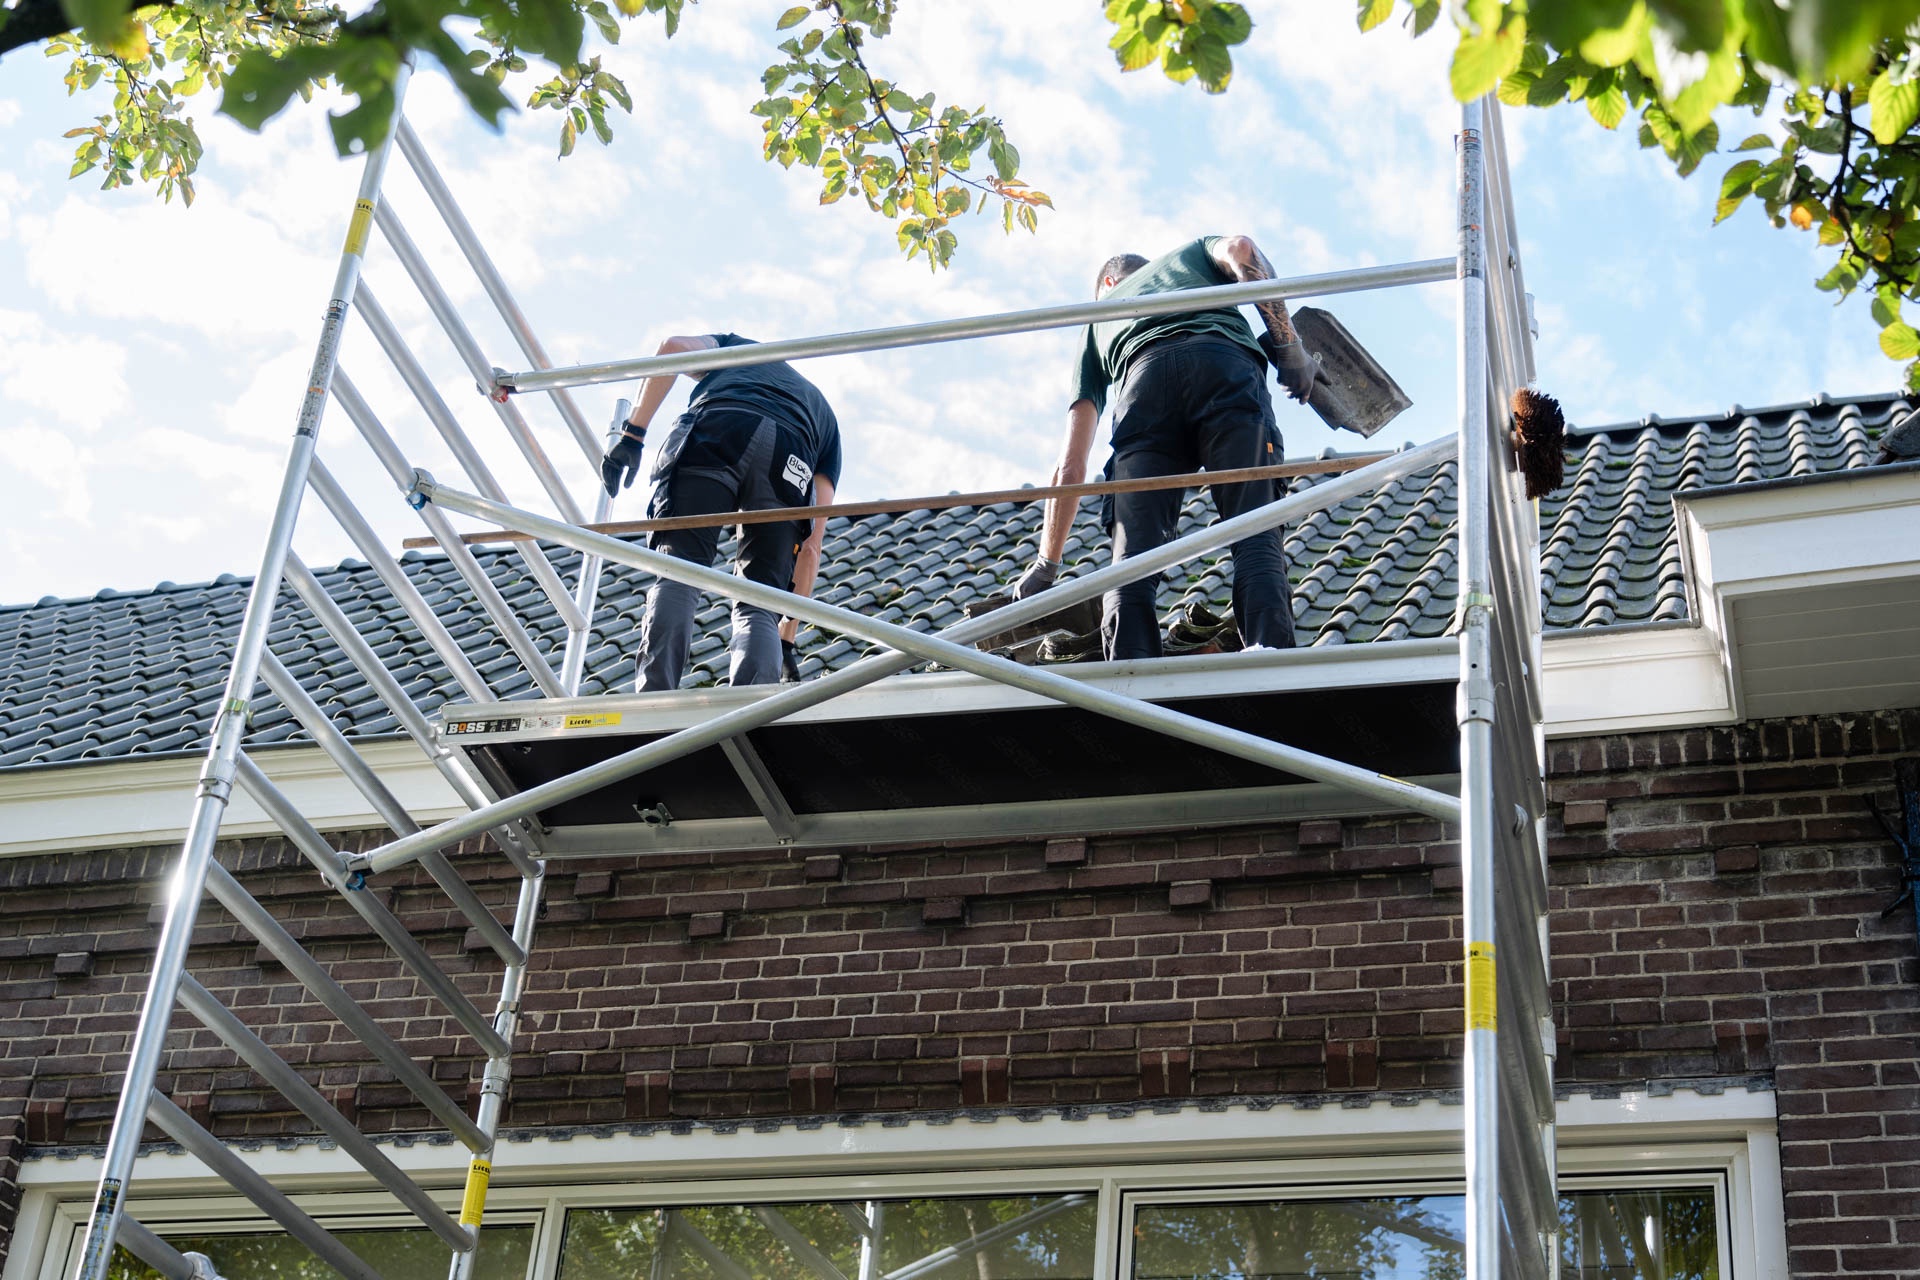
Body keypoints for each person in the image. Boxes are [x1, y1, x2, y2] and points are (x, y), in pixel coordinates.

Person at [1014, 236, 1318, 660]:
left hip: (1143, 392)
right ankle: (1270, 659)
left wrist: (1046, 565)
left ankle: (1129, 675)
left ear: (1108, 283)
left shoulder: (1096, 319)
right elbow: (1242, 249)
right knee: (1254, 529)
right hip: (1222, 366)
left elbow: (1070, 466)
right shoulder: (1191, 255)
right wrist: (1290, 348)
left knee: (1132, 561)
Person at [600, 334, 841, 691]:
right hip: (792, 451)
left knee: (681, 569)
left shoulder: (736, 346)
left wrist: (633, 435)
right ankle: (752, 705)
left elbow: (672, 349)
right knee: (761, 600)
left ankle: (654, 696)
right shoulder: (826, 419)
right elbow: (810, 547)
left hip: (721, 421)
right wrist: (786, 640)